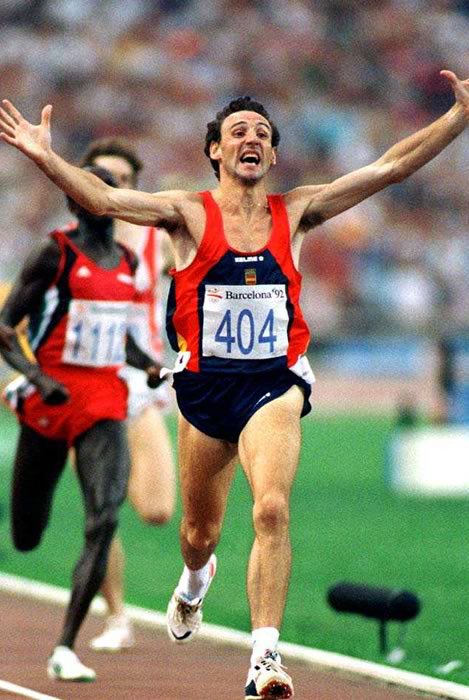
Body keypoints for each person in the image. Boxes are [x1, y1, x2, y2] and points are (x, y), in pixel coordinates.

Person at [0, 69, 467, 699]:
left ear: (272, 154)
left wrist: (456, 119)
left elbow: (388, 169)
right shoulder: (187, 212)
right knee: (198, 535)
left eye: (262, 133)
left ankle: (264, 661)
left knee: (271, 506)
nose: (251, 138)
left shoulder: (296, 211)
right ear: (216, 150)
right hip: (204, 390)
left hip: (273, 384)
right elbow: (106, 202)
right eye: (237, 131)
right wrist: (45, 156)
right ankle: (195, 583)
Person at [0, 165, 163, 682]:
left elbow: (123, 339)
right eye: (87, 193)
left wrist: (149, 365)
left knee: (105, 516)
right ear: (73, 205)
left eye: (109, 192)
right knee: (26, 535)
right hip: (52, 397)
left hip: (104, 401)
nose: (99, 199)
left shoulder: (132, 262)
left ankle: (66, 646)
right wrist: (34, 375)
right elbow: (5, 328)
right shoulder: (55, 253)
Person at [79, 138, 176, 652]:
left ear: (136, 188)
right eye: (101, 178)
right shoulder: (67, 243)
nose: (112, 188)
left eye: (122, 179)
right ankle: (117, 616)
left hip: (140, 383)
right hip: (86, 382)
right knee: (102, 509)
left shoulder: (157, 239)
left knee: (158, 509)